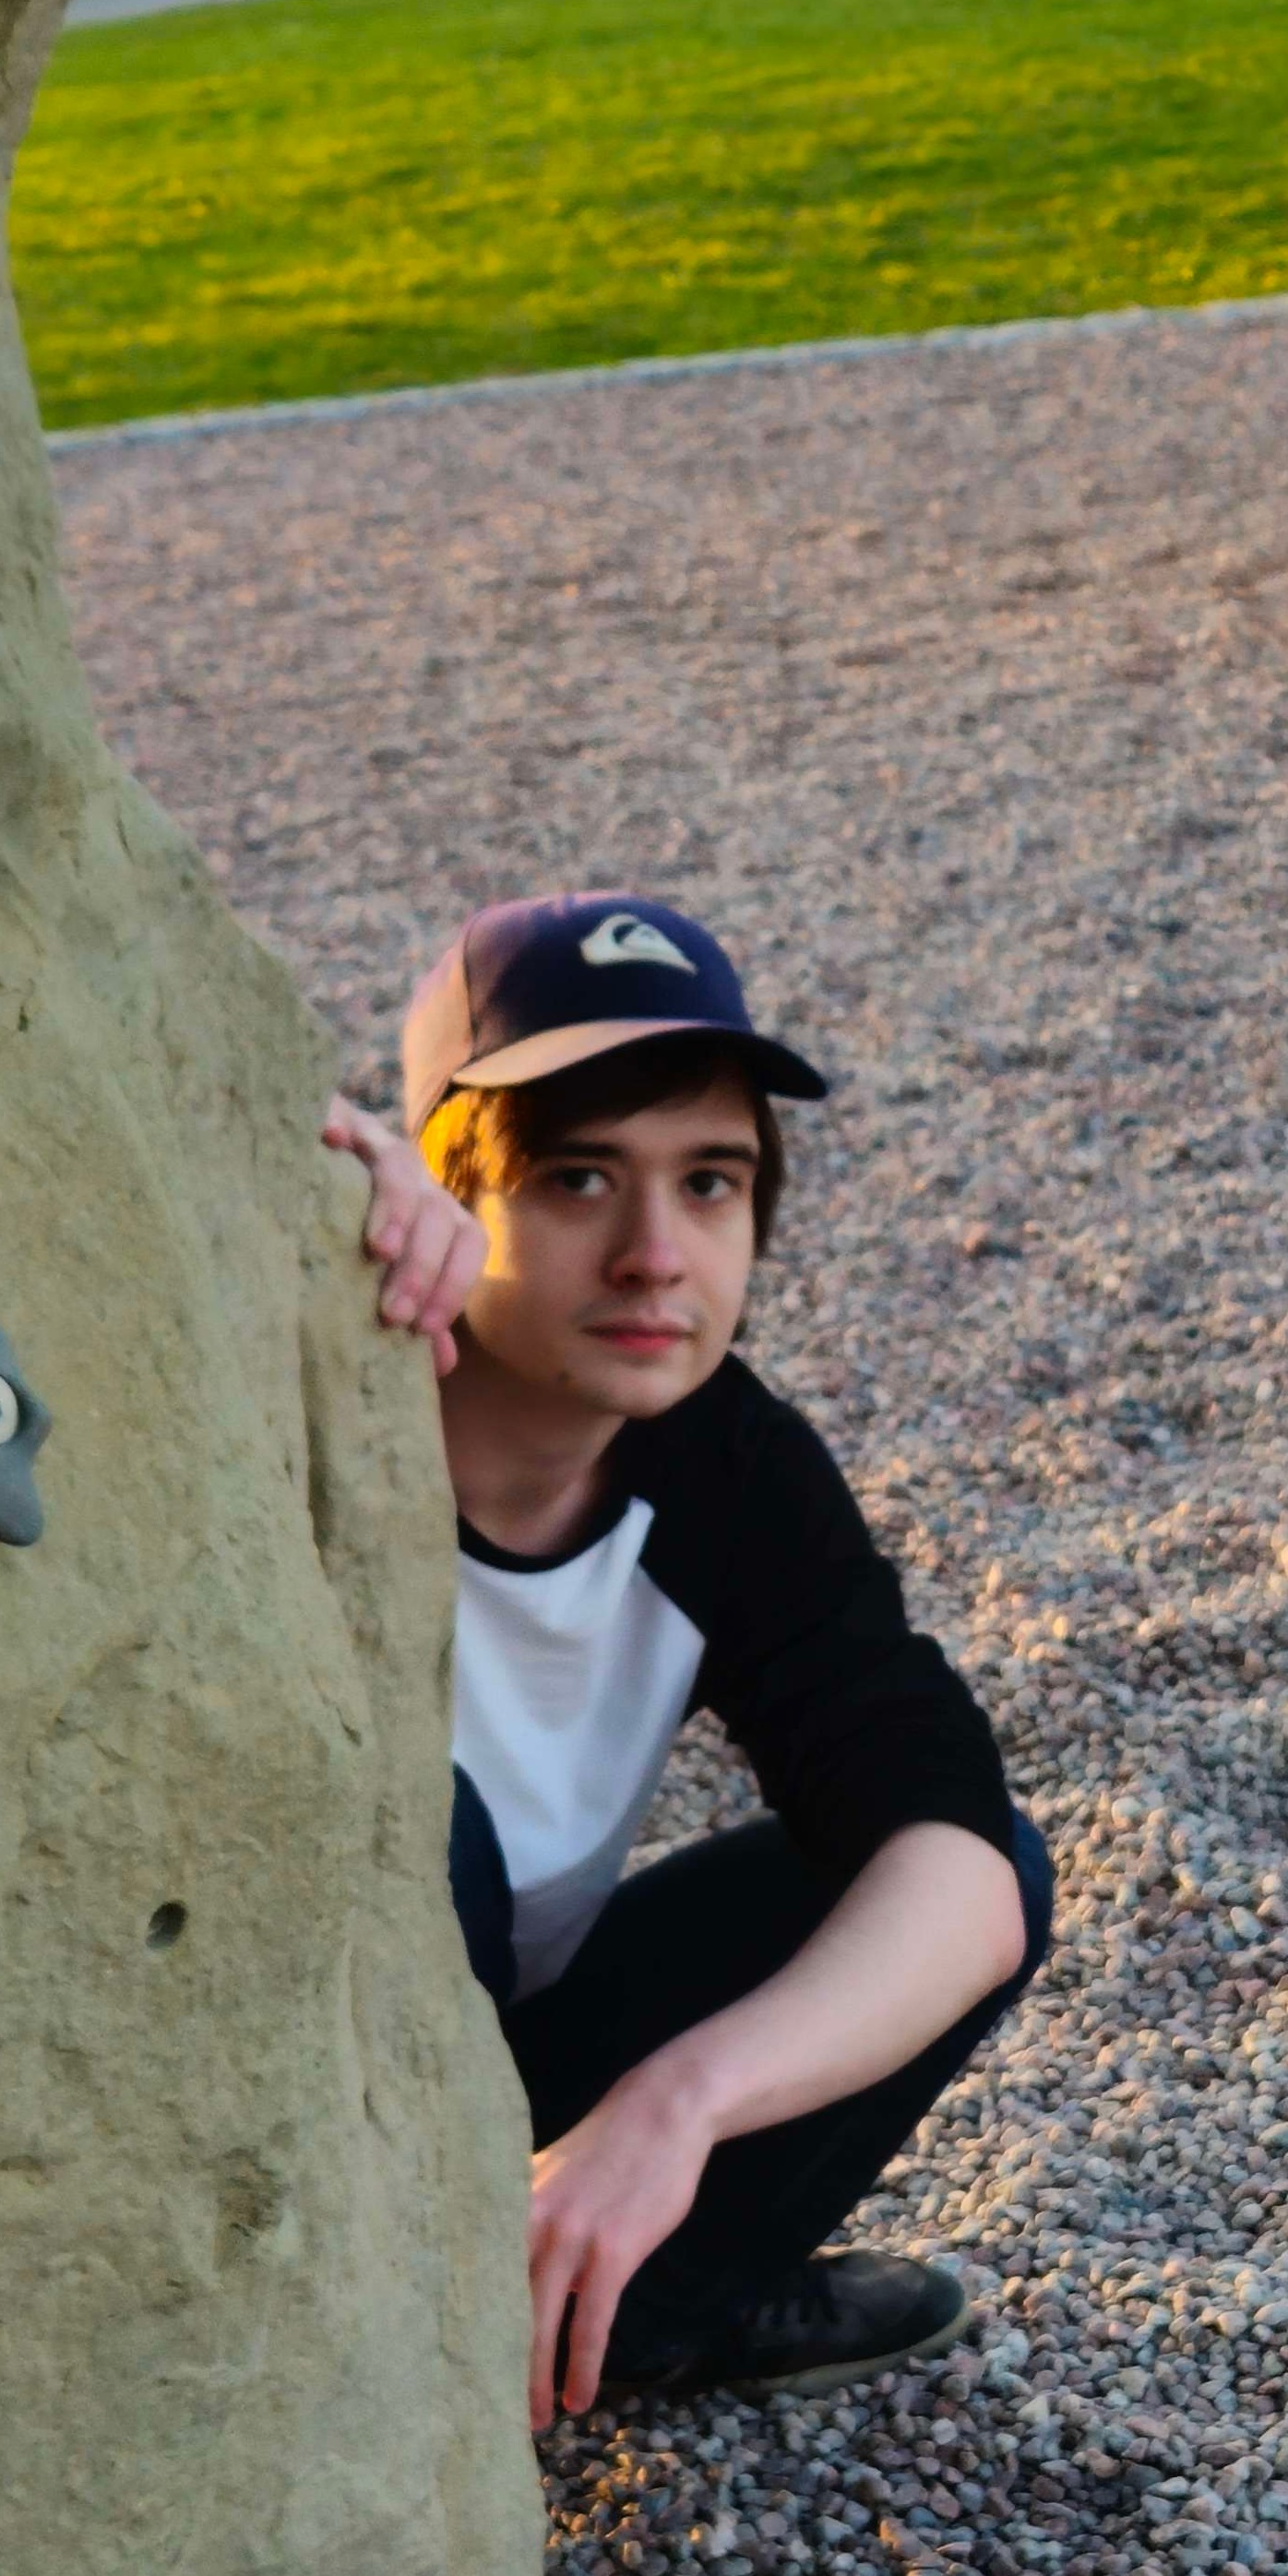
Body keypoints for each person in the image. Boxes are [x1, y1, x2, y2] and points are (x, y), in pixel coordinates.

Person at [328, 894, 1051, 2430]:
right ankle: (377, 2362)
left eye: (709, 1184)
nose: (657, 1257)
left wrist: (674, 2105)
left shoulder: (727, 1466)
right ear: (452, 1197)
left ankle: (647, 2304)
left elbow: (965, 1871)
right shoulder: (314, 1396)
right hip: (291, 2094)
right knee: (415, 1814)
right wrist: (304, 1176)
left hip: (522, 2062)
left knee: (955, 1868)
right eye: (579, 1178)